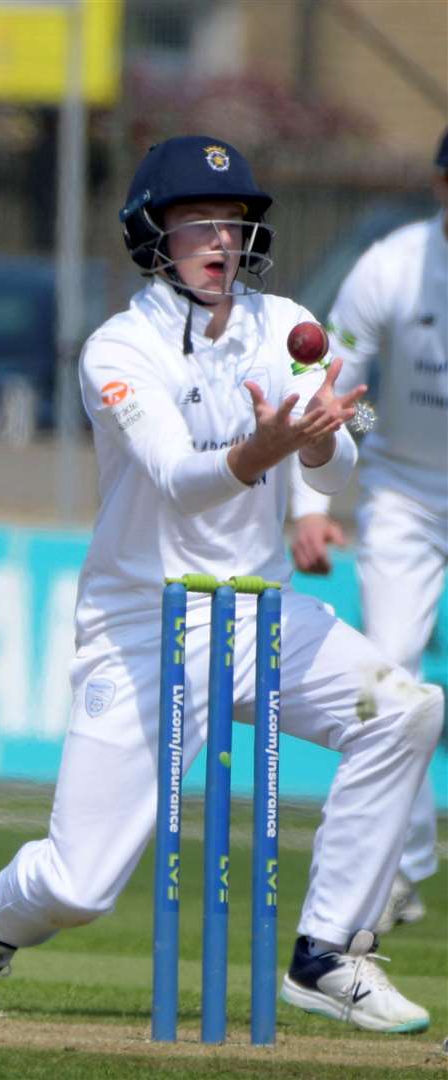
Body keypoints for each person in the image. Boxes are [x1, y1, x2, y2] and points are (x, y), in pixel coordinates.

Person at [0, 136, 441, 1034]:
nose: (221, 240)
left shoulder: (280, 323)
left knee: (403, 709)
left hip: (259, 613)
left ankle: (328, 952)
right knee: (80, 885)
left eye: (235, 224)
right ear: (150, 235)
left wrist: (317, 435)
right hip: (141, 624)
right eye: (198, 223)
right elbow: (177, 476)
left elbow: (338, 475)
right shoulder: (116, 350)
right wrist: (267, 448)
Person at [289, 128, 448, 935]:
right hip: (406, 493)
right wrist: (310, 508)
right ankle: (399, 871)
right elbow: (329, 394)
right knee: (391, 673)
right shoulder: (390, 265)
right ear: (438, 183)